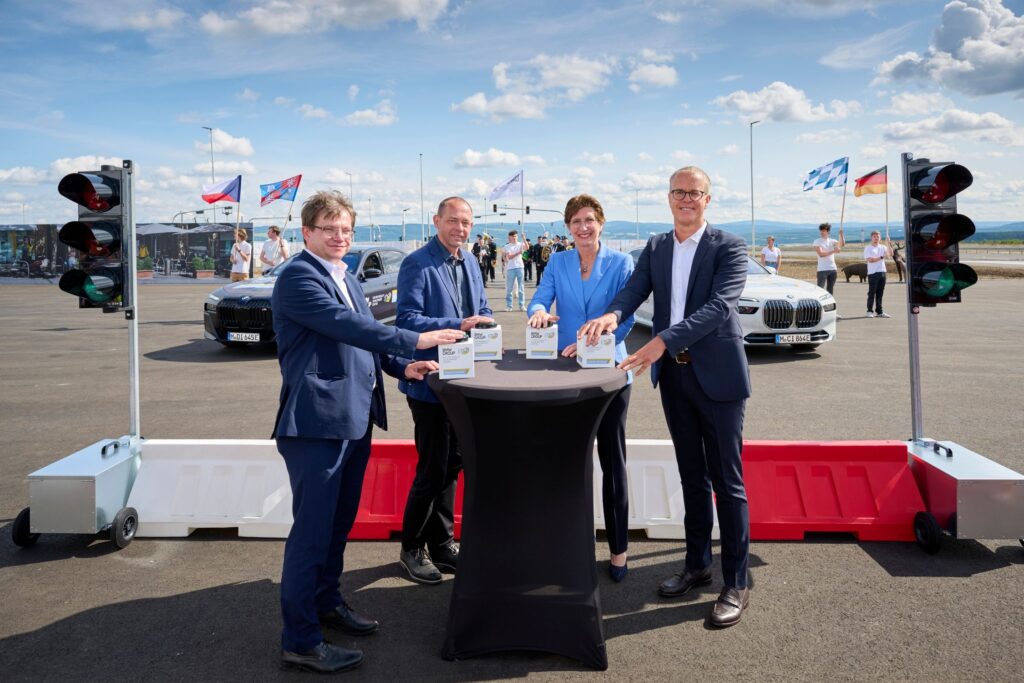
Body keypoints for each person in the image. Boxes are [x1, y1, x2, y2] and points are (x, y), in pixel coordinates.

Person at [271, 190, 463, 673]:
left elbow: (365, 341)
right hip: (315, 424)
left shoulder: (345, 276)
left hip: (353, 419)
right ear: (307, 232)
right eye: (329, 229)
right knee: (311, 534)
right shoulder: (298, 276)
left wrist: (404, 365)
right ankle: (301, 640)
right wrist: (416, 338)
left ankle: (327, 603)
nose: (340, 237)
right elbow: (346, 326)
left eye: (346, 229)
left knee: (337, 526)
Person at [580, 166, 752, 628]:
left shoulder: (729, 247)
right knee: (691, 475)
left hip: (718, 379)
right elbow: (632, 292)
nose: (686, 199)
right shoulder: (657, 246)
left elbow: (719, 308)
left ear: (708, 199)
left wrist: (661, 342)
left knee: (727, 482)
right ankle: (697, 565)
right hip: (674, 379)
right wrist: (611, 317)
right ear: (669, 197)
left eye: (695, 192)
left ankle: (736, 582)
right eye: (679, 192)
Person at [527, 194, 635, 582]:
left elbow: (626, 316)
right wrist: (539, 312)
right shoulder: (558, 261)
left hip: (609, 373)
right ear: (568, 228)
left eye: (589, 220)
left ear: (601, 223)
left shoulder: (622, 263)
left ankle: (619, 550)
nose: (583, 227)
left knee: (613, 462)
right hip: (565, 372)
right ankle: (566, 546)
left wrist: (595, 343)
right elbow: (539, 299)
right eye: (575, 221)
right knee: (564, 462)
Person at [396, 196, 494, 585]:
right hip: (429, 382)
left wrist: (485, 325)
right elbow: (407, 319)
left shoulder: (470, 261)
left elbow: (482, 308)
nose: (460, 228)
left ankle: (442, 542)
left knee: (453, 465)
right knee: (432, 469)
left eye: (466, 223)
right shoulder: (416, 263)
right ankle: (411, 548)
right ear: (436, 221)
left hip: (464, 382)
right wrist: (458, 324)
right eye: (453, 221)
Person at [864, 230, 893, 318]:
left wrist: (888, 243)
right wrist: (881, 257)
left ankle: (879, 311)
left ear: (880, 238)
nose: (876, 238)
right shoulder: (868, 248)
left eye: (878, 237)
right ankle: (869, 311)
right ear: (871, 238)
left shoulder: (883, 247)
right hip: (873, 273)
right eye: (874, 236)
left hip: (882, 272)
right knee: (872, 293)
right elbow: (870, 260)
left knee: (880, 293)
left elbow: (890, 254)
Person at [813, 222, 844, 294]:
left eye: (823, 230)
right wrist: (833, 251)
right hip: (822, 269)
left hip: (832, 269)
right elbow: (821, 254)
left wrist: (841, 235)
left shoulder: (832, 241)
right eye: (821, 230)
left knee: (830, 290)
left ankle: (829, 301)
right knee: (819, 290)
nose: (822, 232)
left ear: (828, 232)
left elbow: (842, 244)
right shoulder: (817, 241)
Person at [503, 229, 527, 311]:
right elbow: (509, 257)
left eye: (515, 236)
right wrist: (518, 252)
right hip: (511, 268)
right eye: (513, 236)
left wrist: (524, 238)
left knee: (521, 288)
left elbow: (527, 247)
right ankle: (509, 306)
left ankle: (522, 305)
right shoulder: (507, 246)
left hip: (520, 267)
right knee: (509, 288)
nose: (514, 237)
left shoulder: (520, 244)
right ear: (510, 237)